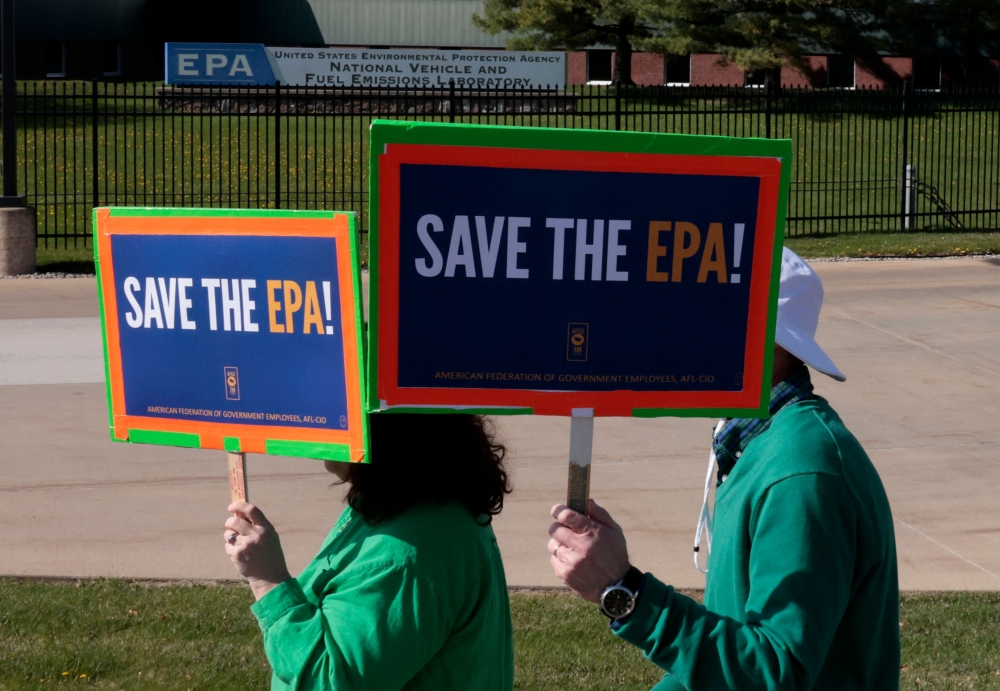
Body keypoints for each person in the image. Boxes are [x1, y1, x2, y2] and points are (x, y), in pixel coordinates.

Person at [547, 247, 900, 691]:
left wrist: (626, 593)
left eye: (702, 316)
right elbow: (732, 650)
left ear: (767, 341)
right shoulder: (757, 446)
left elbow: (773, 675)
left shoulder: (802, 476)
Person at [223, 413, 515, 691]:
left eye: (339, 406)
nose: (320, 419)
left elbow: (327, 682)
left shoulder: (402, 555)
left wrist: (269, 580)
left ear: (379, 430)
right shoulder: (419, 506)